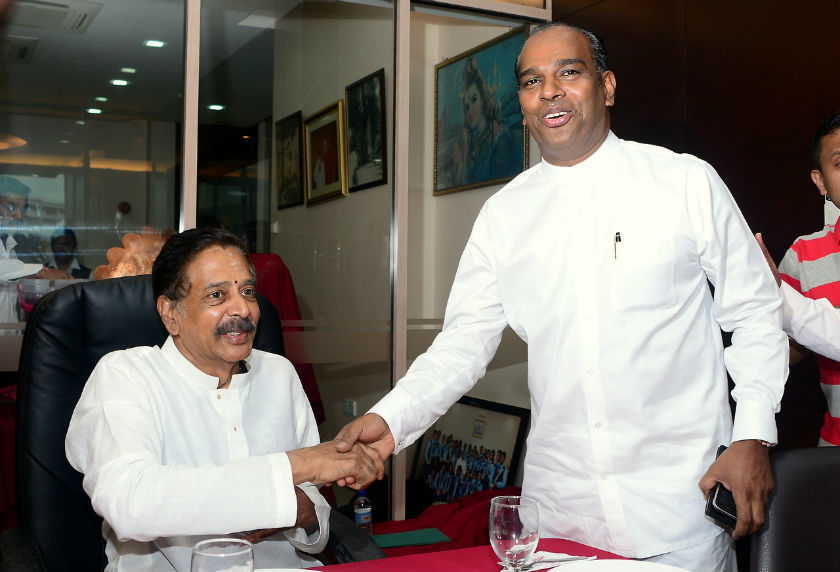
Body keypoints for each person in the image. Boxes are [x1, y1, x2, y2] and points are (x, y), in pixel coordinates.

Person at [335, 22, 787, 572]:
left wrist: (755, 436)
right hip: (559, 520)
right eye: (531, 81)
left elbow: (757, 310)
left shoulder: (685, 182)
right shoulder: (504, 215)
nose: (549, 90)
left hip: (677, 513)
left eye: (568, 72)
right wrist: (392, 420)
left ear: (608, 86)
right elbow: (462, 346)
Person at [65, 227, 383, 572]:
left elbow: (313, 518)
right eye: (217, 296)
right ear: (171, 313)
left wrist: (302, 510)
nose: (242, 309)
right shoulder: (125, 375)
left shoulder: (279, 374)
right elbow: (131, 504)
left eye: (248, 292)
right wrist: (299, 465)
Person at [774, 111, 840, 446]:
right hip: (833, 450)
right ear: (821, 181)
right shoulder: (804, 254)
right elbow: (784, 346)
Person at [451, 57, 519, 187]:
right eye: (466, 106)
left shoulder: (499, 134)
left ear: (483, 100)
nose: (469, 109)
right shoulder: (468, 145)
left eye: (474, 99)